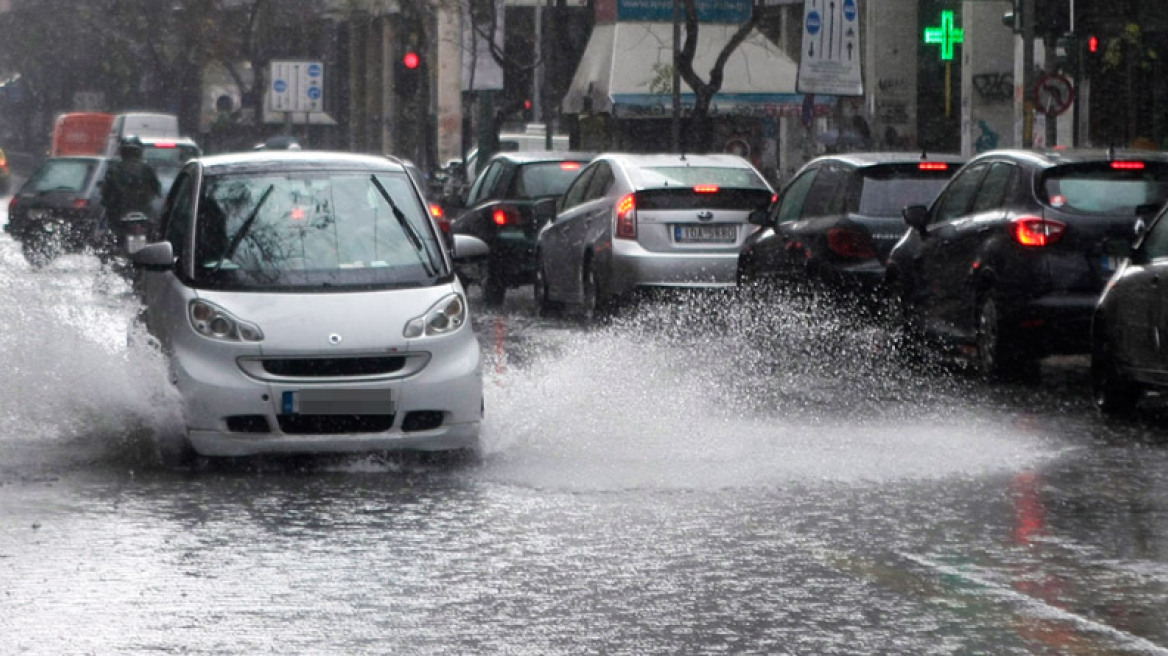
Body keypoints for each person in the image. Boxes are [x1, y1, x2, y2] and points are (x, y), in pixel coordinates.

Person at [101, 135, 162, 255]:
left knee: (106, 236)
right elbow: (157, 189)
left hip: (119, 212)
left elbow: (106, 192)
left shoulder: (114, 169)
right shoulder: (147, 168)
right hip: (142, 211)